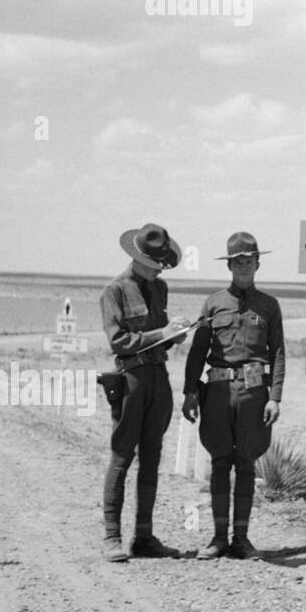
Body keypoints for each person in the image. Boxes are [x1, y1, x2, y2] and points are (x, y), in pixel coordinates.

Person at [182, 233, 284, 559]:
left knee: (246, 464)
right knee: (219, 462)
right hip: (217, 393)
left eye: (248, 259)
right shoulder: (213, 304)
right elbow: (197, 352)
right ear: (229, 265)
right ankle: (217, 539)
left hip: (255, 394)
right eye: (237, 260)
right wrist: (189, 393)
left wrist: (276, 397)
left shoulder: (269, 306)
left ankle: (241, 539)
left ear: (258, 263)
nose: (243, 265)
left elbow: (279, 352)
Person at [99, 223, 194, 562]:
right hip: (131, 378)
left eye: (163, 264)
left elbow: (160, 331)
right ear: (137, 258)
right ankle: (112, 538)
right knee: (122, 457)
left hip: (158, 376)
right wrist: (161, 333)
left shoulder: (160, 288)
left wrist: (175, 334)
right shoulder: (115, 291)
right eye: (155, 264)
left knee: (152, 456)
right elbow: (118, 342)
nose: (160, 270)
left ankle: (144, 537)